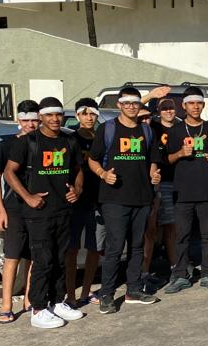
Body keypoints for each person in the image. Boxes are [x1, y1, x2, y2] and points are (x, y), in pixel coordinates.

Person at [3, 97, 84, 329]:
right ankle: (38, 309)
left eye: (58, 114)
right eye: (49, 115)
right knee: (43, 260)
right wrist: (28, 197)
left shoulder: (69, 140)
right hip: (38, 212)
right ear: (41, 117)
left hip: (63, 209)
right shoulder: (28, 142)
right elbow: (9, 172)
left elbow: (78, 169)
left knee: (60, 259)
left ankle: (57, 302)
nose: (55, 119)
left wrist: (77, 189)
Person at [89, 86, 161, 313]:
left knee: (137, 246)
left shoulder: (147, 131)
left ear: (140, 105)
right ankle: (107, 295)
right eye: (127, 103)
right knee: (114, 247)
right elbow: (92, 159)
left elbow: (153, 160)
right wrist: (103, 174)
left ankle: (133, 290)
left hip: (142, 197)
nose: (131, 107)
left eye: (135, 103)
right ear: (119, 105)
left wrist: (154, 174)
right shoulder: (107, 129)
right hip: (114, 198)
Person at [162, 86, 208, 295]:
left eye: (199, 103)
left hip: (207, 190)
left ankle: (207, 274)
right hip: (183, 192)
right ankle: (181, 275)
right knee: (181, 236)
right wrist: (180, 153)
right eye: (191, 103)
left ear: (203, 105)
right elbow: (167, 160)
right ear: (184, 106)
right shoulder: (175, 131)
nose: (195, 107)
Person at [0, 99, 38, 323]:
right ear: (18, 120)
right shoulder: (6, 145)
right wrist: (0, 210)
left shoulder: (44, 143)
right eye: (26, 120)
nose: (30, 124)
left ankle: (29, 299)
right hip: (14, 208)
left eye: (34, 120)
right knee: (12, 256)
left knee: (33, 255)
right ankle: (6, 305)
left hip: (38, 207)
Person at [65, 97, 102, 308]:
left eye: (93, 114)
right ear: (77, 116)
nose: (89, 117)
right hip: (77, 200)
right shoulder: (71, 140)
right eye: (85, 113)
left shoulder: (103, 137)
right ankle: (70, 294)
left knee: (94, 248)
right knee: (72, 249)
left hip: (99, 199)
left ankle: (86, 292)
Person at [144, 98, 179, 288]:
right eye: (164, 108)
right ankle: (144, 272)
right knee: (151, 230)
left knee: (171, 226)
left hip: (176, 181)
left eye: (170, 108)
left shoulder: (181, 127)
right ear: (158, 111)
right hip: (156, 182)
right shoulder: (153, 128)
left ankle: (175, 266)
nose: (168, 111)